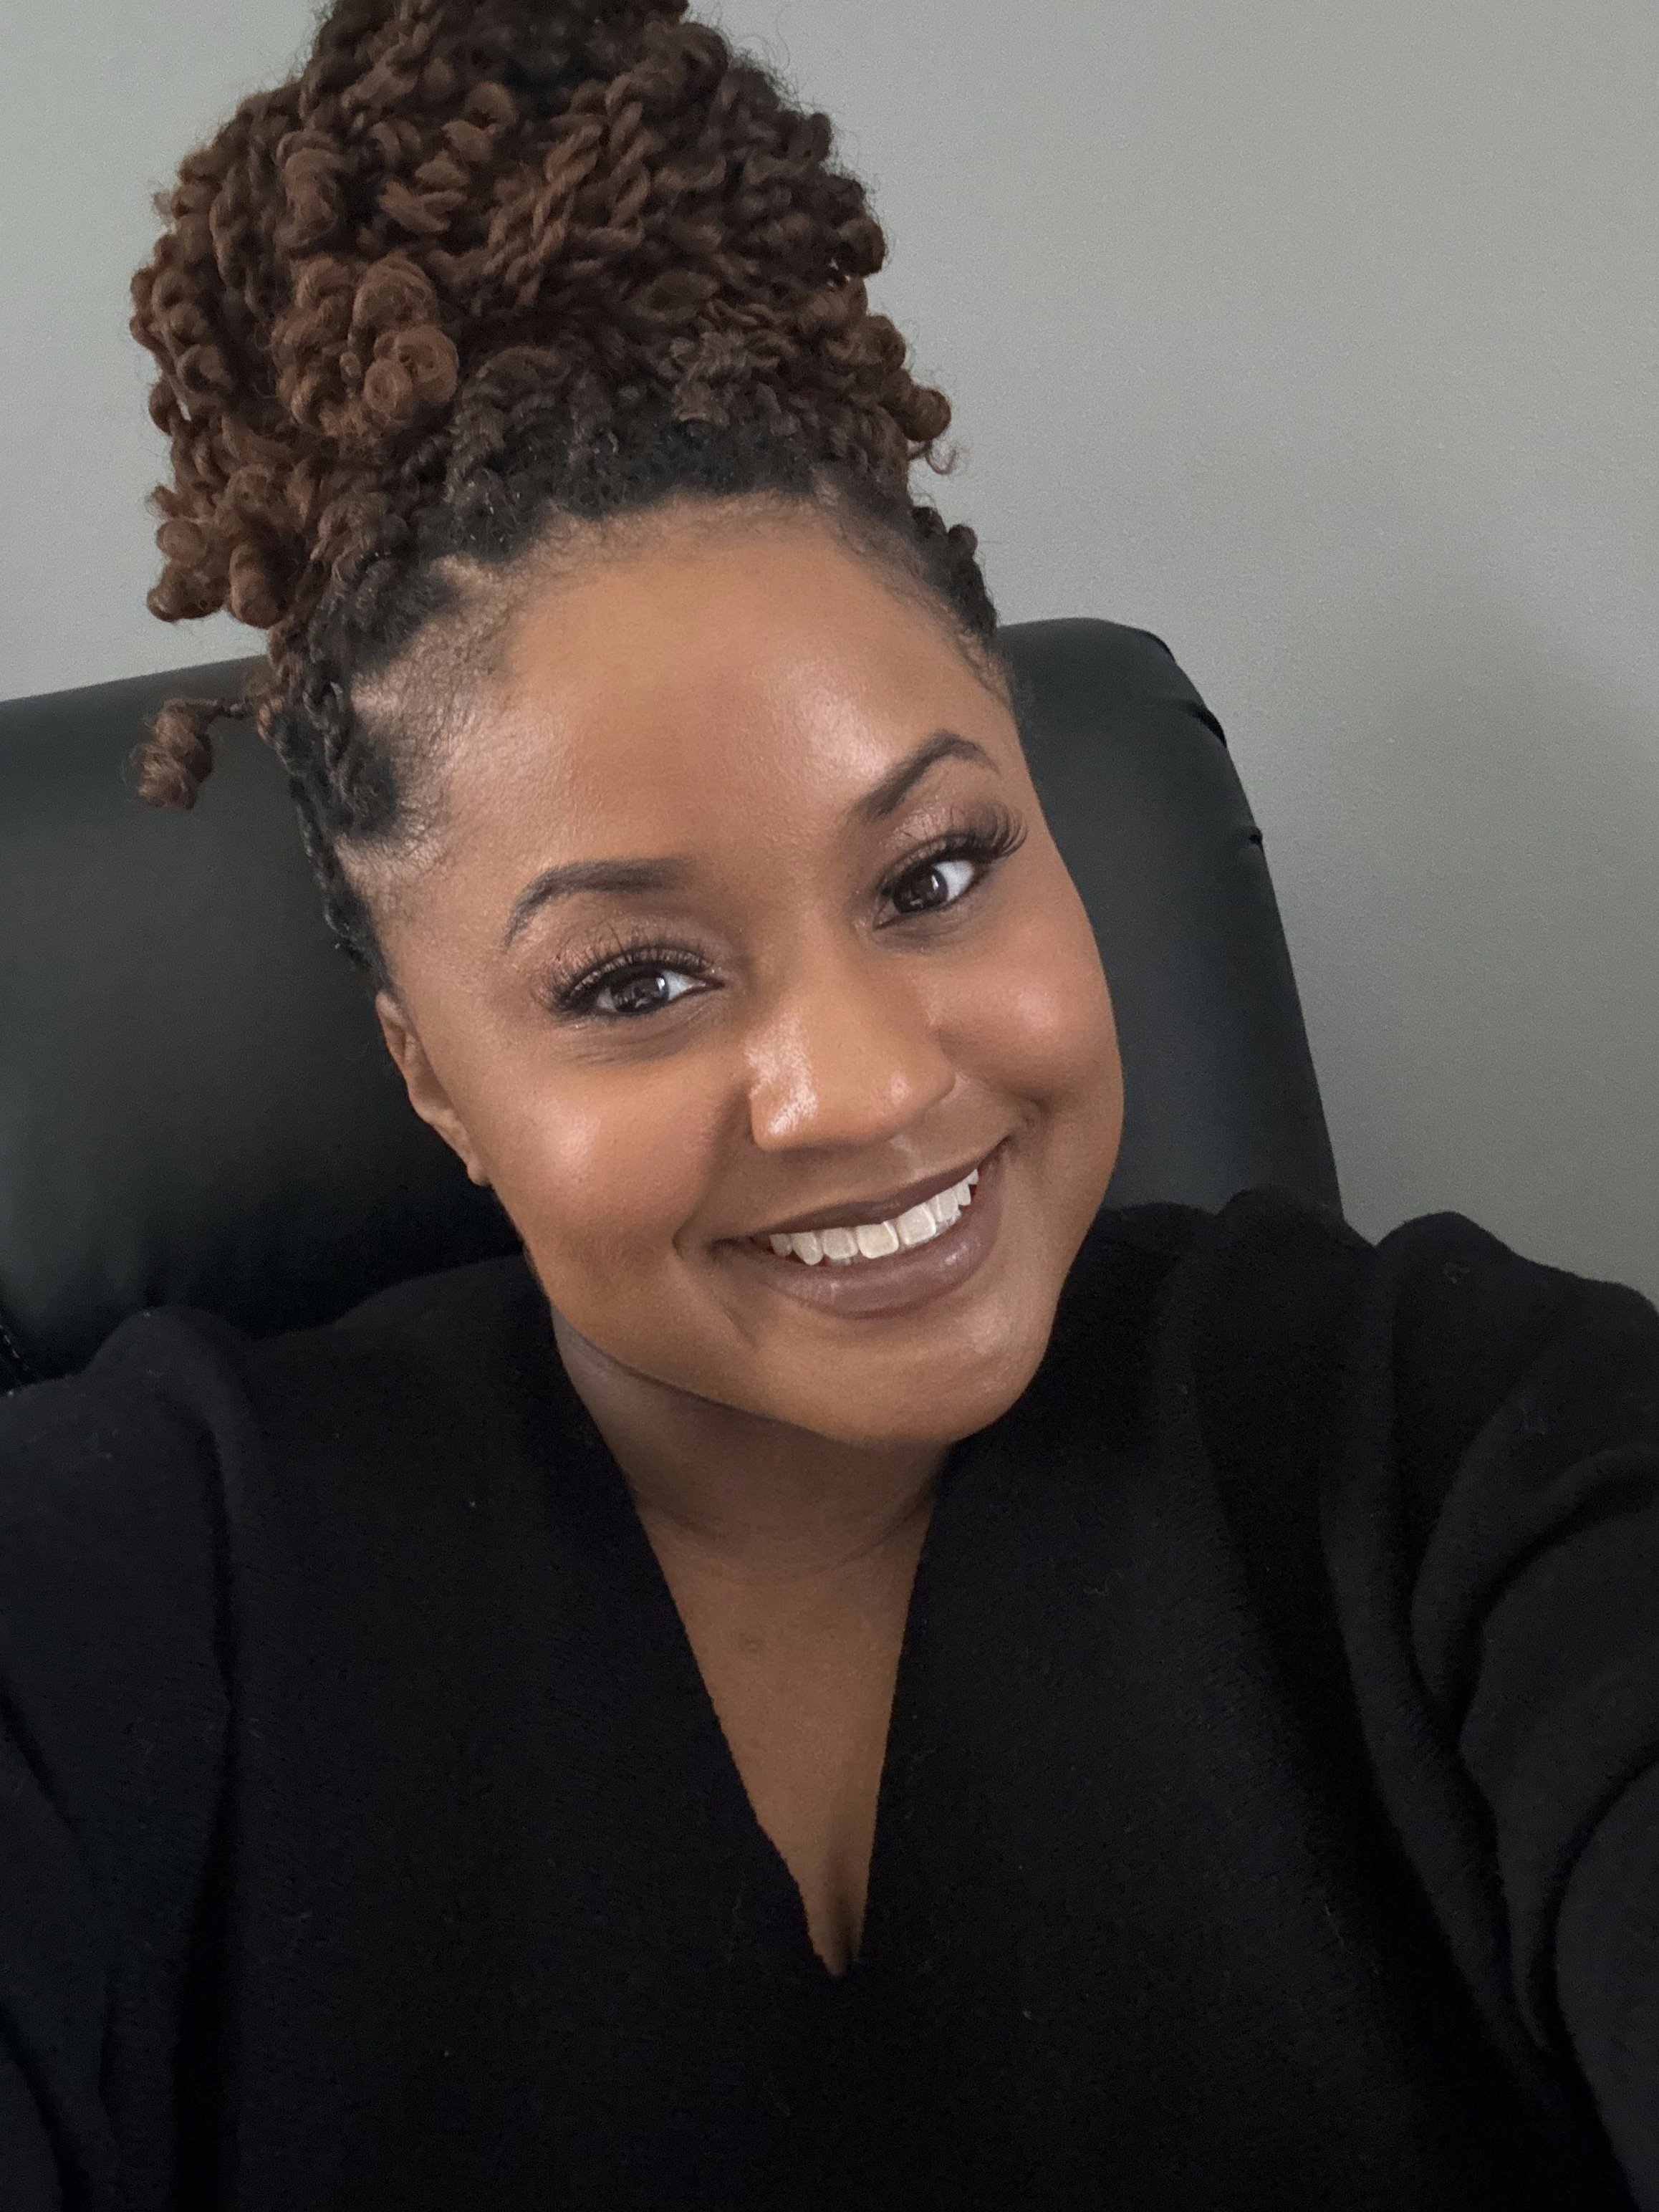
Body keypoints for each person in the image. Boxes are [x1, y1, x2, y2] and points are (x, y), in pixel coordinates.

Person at [1, 2, 1653, 2206]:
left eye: (937, 872)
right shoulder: (140, 1565)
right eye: (636, 980)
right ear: (433, 1078)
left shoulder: (1454, 1444)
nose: (869, 1084)